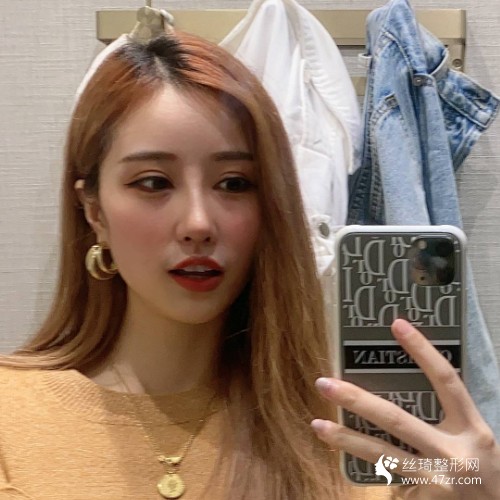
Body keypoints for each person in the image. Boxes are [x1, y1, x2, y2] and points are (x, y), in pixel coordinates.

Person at [0, 30, 498, 500]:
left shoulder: (354, 439)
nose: (198, 223)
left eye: (234, 183)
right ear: (94, 212)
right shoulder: (11, 419)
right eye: (153, 182)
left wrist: (481, 488)